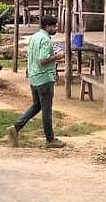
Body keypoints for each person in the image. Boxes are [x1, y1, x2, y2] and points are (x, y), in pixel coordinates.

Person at [7, 16, 66, 149]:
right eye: (54, 26)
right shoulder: (45, 40)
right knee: (46, 110)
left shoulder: (35, 37)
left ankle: (16, 128)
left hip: (34, 78)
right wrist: (58, 56)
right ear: (47, 27)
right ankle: (50, 140)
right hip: (44, 79)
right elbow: (43, 59)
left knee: (36, 106)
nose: (56, 28)